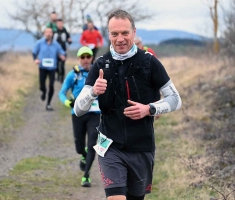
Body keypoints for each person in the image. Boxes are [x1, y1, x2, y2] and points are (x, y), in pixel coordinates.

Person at [74, 9, 182, 200]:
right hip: (110, 147)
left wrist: (149, 109)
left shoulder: (149, 62)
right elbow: (78, 109)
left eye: (125, 33)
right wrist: (92, 92)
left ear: (134, 32)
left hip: (141, 147)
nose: (120, 39)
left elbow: (175, 99)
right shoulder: (100, 65)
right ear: (109, 35)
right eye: (114, 34)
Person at [58, 46, 100, 187]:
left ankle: (86, 176)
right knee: (79, 147)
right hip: (78, 114)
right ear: (79, 59)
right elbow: (62, 93)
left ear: (92, 58)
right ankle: (83, 154)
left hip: (95, 114)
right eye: (83, 57)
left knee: (92, 144)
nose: (86, 60)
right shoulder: (73, 75)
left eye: (88, 57)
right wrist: (68, 102)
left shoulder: (98, 73)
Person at [32, 27, 65, 111]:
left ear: (52, 34)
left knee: (51, 85)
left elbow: (61, 52)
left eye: (50, 32)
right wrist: (35, 59)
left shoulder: (56, 44)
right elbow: (34, 52)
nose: (48, 34)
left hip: (52, 68)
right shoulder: (39, 43)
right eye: (47, 32)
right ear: (44, 34)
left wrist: (62, 55)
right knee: (42, 85)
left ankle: (48, 104)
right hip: (42, 67)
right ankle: (43, 91)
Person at [54, 18, 72, 83]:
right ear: (57, 24)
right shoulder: (54, 31)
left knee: (62, 65)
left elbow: (69, 40)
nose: (60, 25)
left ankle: (62, 77)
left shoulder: (65, 31)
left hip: (63, 51)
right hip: (55, 51)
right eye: (58, 24)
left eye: (61, 23)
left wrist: (69, 41)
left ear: (62, 24)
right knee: (56, 65)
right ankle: (58, 75)